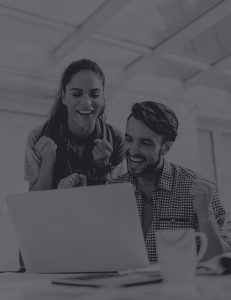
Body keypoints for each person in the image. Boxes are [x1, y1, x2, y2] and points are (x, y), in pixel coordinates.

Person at [111, 101, 231, 263]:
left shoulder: (198, 189)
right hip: (122, 288)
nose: (132, 150)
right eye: (129, 139)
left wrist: (205, 213)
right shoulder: (113, 191)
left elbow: (222, 262)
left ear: (166, 148)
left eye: (145, 143)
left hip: (181, 287)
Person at [24, 59, 126, 191]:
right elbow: (33, 203)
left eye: (94, 94)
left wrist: (103, 167)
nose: (86, 102)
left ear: (103, 98)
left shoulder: (116, 138)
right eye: (76, 94)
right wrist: (47, 163)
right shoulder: (38, 137)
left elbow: (118, 201)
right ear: (64, 97)